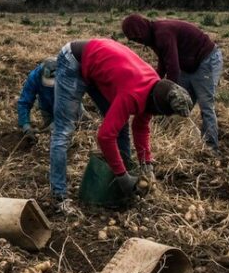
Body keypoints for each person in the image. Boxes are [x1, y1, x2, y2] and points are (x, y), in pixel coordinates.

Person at [50, 38, 192, 212]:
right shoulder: (133, 94)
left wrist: (146, 164)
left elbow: (140, 127)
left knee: (120, 124)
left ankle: (121, 187)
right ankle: (59, 196)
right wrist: (122, 176)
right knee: (63, 131)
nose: (153, 115)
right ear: (156, 105)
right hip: (74, 59)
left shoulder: (157, 88)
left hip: (100, 64)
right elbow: (104, 137)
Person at [121, 13, 224, 151]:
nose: (138, 42)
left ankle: (211, 148)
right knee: (179, 103)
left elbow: (173, 68)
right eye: (134, 40)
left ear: (142, 29)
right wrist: (151, 85)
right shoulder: (153, 37)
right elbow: (164, 63)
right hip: (188, 65)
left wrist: (167, 91)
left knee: (205, 106)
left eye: (137, 38)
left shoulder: (162, 34)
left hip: (206, 61)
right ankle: (176, 141)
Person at [16, 59, 58, 141]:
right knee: (51, 136)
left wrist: (58, 122)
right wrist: (25, 125)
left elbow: (72, 101)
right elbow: (24, 102)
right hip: (47, 107)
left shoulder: (67, 76)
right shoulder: (34, 77)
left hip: (68, 107)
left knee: (82, 124)